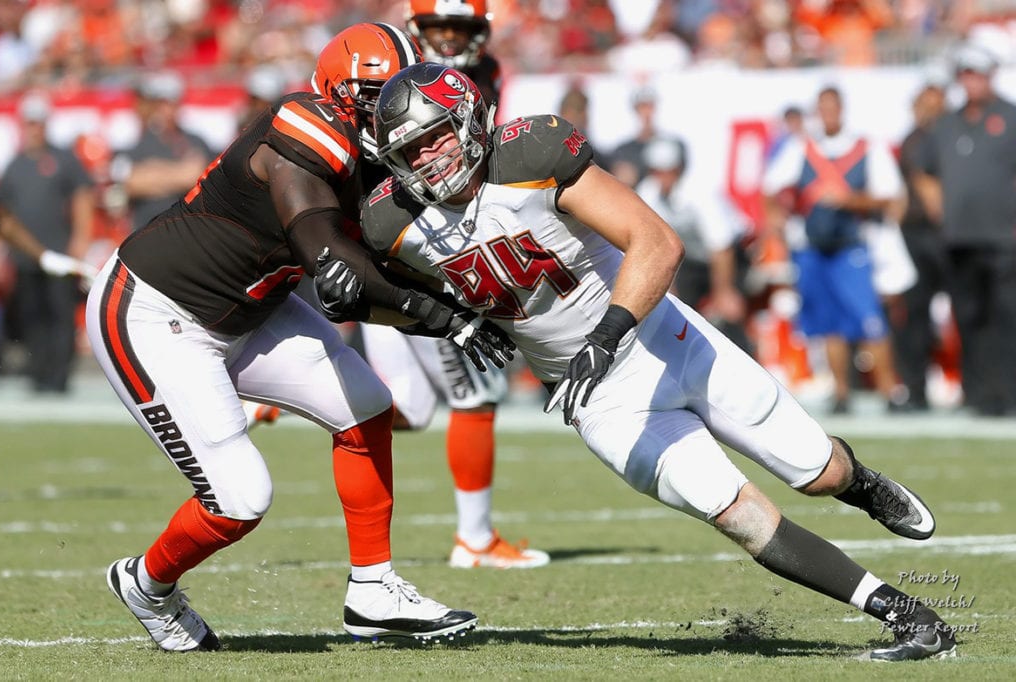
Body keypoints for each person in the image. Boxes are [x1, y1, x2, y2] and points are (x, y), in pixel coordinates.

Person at [357, 61, 956, 662]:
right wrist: (434, 317)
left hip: (664, 339)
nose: (428, 156)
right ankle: (904, 613)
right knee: (737, 514)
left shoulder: (531, 158)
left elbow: (657, 240)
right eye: (410, 148)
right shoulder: (393, 222)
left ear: (469, 120)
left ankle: (863, 484)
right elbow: (398, 299)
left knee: (819, 471)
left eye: (435, 134)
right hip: (597, 398)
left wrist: (608, 331)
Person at [85, 23, 515, 652]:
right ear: (338, 94)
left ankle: (373, 588)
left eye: (396, 89)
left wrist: (458, 303)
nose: (389, 107)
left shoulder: (380, 157)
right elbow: (333, 265)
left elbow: (373, 282)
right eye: (372, 94)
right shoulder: (301, 128)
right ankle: (146, 584)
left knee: (367, 404)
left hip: (253, 310)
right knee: (240, 499)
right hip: (156, 313)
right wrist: (443, 315)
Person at [326, 5, 543, 568]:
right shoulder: (395, 79)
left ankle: (304, 395)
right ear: (417, 31)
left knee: (412, 408)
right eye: (440, 30)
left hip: (405, 252)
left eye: (461, 31)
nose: (449, 42)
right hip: (410, 254)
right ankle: (474, 539)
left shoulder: (485, 73)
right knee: (477, 394)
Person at [762, 85, 908, 414]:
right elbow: (771, 187)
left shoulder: (864, 147)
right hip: (813, 247)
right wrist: (777, 219)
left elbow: (889, 195)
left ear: (842, 110)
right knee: (829, 323)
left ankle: (889, 391)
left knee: (869, 319)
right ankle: (841, 391)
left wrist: (849, 200)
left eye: (833, 108)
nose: (828, 115)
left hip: (851, 245)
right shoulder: (803, 147)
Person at [913, 42, 1016, 417]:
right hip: (959, 238)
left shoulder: (1010, 116)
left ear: (990, 75)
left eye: (977, 74)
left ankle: (1007, 393)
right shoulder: (948, 124)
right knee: (969, 318)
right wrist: (939, 207)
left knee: (1006, 317)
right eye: (965, 74)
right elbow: (922, 169)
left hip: (1003, 237)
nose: (970, 81)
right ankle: (977, 394)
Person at [0, 92, 95, 393]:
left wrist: (80, 238)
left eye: (38, 123)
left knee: (60, 314)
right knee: (32, 314)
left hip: (57, 253)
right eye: (29, 123)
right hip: (25, 255)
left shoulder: (63, 159)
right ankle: (38, 374)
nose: (34, 129)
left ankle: (59, 376)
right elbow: (2, 214)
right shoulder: (14, 165)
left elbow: (82, 197)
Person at [635, 136, 751, 354]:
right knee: (675, 313)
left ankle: (747, 362)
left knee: (730, 313)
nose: (662, 177)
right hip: (692, 261)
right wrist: (669, 290)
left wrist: (723, 292)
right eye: (657, 170)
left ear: (678, 168)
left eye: (668, 170)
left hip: (732, 256)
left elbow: (722, 246)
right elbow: (655, 244)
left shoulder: (700, 191)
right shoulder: (648, 192)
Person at [893, 80, 948, 412]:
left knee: (966, 312)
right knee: (914, 314)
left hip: (950, 233)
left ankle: (976, 388)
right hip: (917, 233)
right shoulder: (914, 140)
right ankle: (914, 388)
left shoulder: (951, 136)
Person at [111, 71, 212, 232]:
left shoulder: (195, 141)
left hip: (189, 231)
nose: (164, 110)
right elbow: (131, 184)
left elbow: (197, 177)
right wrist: (180, 173)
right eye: (159, 103)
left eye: (169, 103)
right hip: (147, 230)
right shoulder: (135, 141)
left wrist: (152, 172)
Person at [607, 85, 660, 187]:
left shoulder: (670, 143)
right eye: (642, 107)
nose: (647, 112)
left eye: (650, 106)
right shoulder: (624, 150)